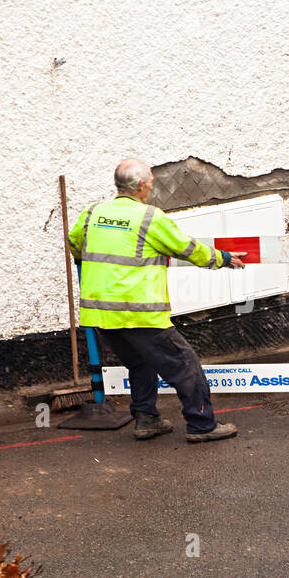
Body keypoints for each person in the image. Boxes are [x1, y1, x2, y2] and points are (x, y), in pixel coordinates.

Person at [68, 158, 244, 442]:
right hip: (138, 312)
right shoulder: (149, 217)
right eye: (150, 180)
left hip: (101, 314)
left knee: (140, 363)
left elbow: (75, 243)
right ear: (140, 186)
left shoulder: (92, 214)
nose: (152, 184)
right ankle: (202, 425)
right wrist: (222, 258)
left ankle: (146, 420)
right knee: (185, 365)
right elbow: (187, 248)